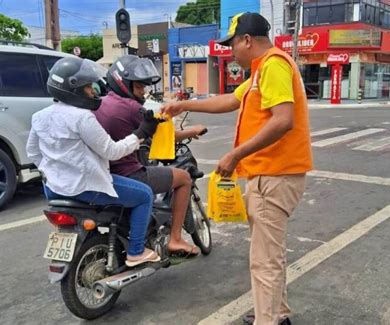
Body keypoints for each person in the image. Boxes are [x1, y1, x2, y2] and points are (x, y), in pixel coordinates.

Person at [162, 12, 313, 325]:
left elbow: (284, 120)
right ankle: (275, 313)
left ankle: (268, 320)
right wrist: (184, 105)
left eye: (232, 44)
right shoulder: (260, 71)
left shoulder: (273, 65)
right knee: (270, 254)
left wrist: (236, 155)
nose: (231, 51)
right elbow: (231, 100)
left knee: (264, 261)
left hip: (275, 175)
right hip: (270, 174)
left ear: (247, 40)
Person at [26, 56, 161, 267]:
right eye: (89, 88)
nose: (93, 92)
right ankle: (136, 251)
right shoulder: (83, 117)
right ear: (74, 90)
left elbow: (32, 152)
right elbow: (112, 151)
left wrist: (52, 170)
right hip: (85, 187)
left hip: (53, 189)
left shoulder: (39, 116)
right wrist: (140, 133)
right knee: (144, 194)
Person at [94, 55, 206, 258]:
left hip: (104, 172)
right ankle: (176, 239)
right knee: (184, 178)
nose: (143, 92)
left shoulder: (100, 104)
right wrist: (193, 130)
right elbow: (163, 136)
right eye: (139, 87)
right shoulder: (132, 108)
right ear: (124, 83)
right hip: (127, 173)